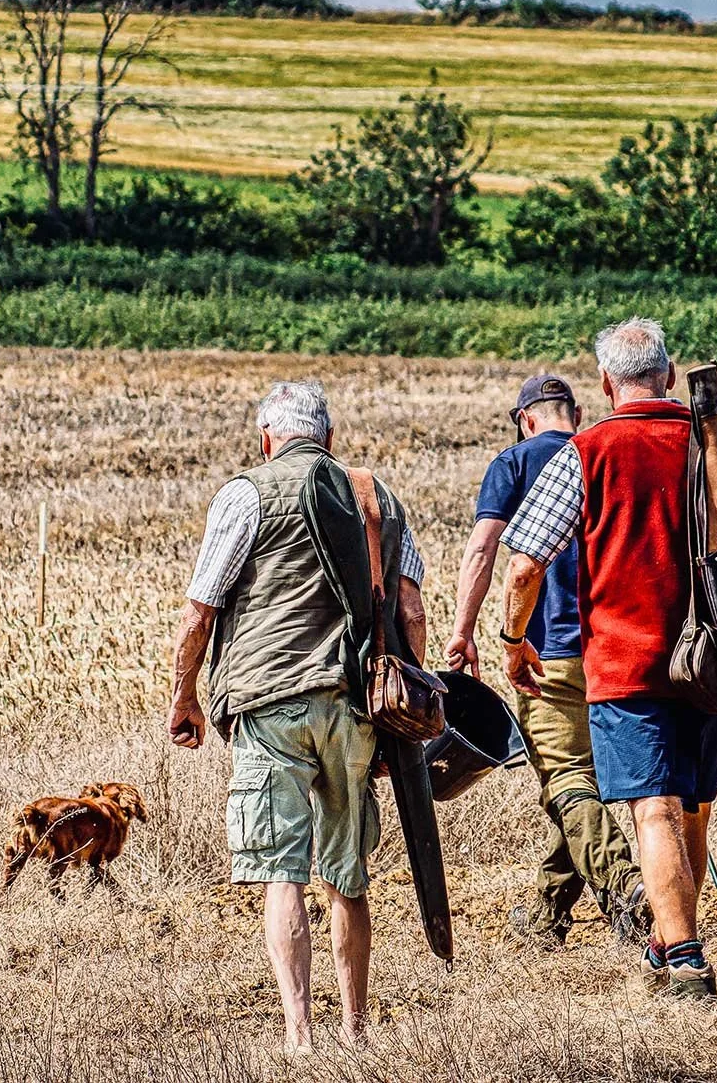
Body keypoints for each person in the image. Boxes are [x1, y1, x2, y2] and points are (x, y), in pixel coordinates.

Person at [496, 318, 717, 1000]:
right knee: (692, 809)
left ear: (605, 384)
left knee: (653, 812)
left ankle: (685, 957)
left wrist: (516, 644)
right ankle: (668, 941)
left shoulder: (587, 450)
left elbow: (523, 568)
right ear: (667, 375)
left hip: (625, 669)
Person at [164, 381, 427, 1051]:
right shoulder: (377, 497)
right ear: (330, 440)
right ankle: (356, 1032)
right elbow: (413, 610)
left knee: (283, 872)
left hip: (268, 702)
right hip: (355, 704)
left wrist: (184, 697)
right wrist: (399, 703)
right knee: (347, 874)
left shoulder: (245, 493)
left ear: (265, 438)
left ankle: (299, 1035)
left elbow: (200, 612)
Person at [444, 373, 650, 949]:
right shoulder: (603, 453)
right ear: (576, 413)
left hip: (547, 654)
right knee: (587, 781)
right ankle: (546, 915)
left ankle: (626, 887)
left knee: (565, 780)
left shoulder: (512, 463)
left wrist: (465, 631)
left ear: (524, 419)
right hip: (620, 647)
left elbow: (487, 549)